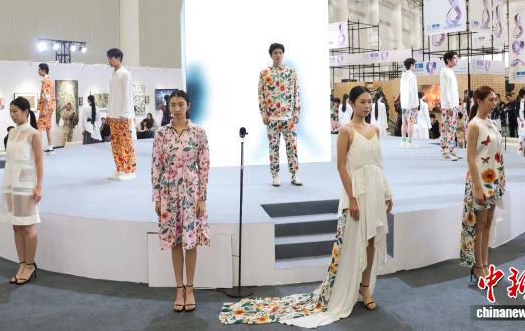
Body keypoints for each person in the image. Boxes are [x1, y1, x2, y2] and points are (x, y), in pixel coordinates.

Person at [220, 86, 392, 327]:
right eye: (362, 102)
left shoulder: (375, 130)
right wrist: (352, 198)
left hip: (374, 191)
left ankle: (365, 288)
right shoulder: (346, 131)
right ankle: (348, 287)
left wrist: (387, 192)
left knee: (372, 240)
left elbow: (378, 164)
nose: (367, 106)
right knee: (353, 243)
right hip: (357, 192)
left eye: (369, 102)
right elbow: (341, 166)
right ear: (352, 103)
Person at [151, 90, 209, 313]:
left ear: (188, 106)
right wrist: (157, 197)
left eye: (180, 104)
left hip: (191, 193)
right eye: (173, 105)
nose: (176, 109)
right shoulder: (161, 134)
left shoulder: (199, 133)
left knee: (191, 242)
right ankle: (179, 289)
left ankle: (190, 288)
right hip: (168, 193)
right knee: (175, 242)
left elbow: (204, 167)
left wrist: (202, 198)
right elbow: (156, 166)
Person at [459, 87, 505, 283]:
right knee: (479, 225)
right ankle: (478, 266)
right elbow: (470, 158)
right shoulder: (474, 125)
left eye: (495, 100)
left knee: (487, 223)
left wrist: (501, 178)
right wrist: (478, 188)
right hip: (480, 180)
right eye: (490, 100)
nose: (494, 103)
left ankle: (485, 263)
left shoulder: (492, 123)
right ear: (479, 101)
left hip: (494, 179)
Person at [0, 97, 44, 285]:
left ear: (26, 112)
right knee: (16, 226)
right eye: (10, 111)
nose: (12, 115)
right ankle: (22, 264)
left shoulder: (34, 134)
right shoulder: (12, 133)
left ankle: (30, 265)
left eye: (15, 111)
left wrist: (39, 186)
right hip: (11, 183)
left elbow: (39, 161)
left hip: (26, 184)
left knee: (28, 226)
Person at [258, 43, 302, 187]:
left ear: (283, 54)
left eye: (280, 52)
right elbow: (261, 95)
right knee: (273, 148)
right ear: (271, 55)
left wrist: (296, 112)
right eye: (275, 52)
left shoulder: (291, 72)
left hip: (288, 118)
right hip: (272, 118)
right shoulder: (264, 73)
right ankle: (275, 176)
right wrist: (263, 113)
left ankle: (294, 175)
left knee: (292, 147)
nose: (278, 55)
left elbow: (296, 93)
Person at [106, 48, 137, 181]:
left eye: (111, 58)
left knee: (126, 143)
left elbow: (128, 95)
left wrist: (126, 113)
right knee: (115, 144)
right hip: (114, 115)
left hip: (123, 115)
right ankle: (119, 169)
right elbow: (111, 96)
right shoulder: (113, 75)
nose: (109, 60)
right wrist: (108, 113)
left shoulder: (126, 74)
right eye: (108, 58)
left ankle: (130, 171)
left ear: (118, 58)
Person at [440, 51, 460, 160]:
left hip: (454, 104)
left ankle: (451, 150)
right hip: (448, 105)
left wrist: (456, 103)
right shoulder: (444, 71)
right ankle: (445, 151)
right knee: (446, 129)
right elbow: (445, 89)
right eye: (455, 58)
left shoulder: (451, 71)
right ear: (448, 60)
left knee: (452, 129)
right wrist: (448, 105)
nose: (457, 60)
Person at [36, 63, 56, 154]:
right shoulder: (50, 81)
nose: (38, 71)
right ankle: (51, 147)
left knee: (39, 127)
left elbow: (46, 96)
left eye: (39, 70)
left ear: (44, 70)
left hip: (46, 107)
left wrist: (44, 109)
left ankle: (39, 149)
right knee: (48, 127)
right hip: (50, 107)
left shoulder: (46, 81)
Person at [399, 57, 419, 147]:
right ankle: (410, 142)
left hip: (404, 104)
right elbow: (413, 91)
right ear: (411, 65)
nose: (415, 67)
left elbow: (401, 91)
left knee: (404, 123)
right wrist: (416, 104)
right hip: (411, 104)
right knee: (410, 123)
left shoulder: (403, 76)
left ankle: (403, 141)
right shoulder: (412, 76)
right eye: (415, 65)